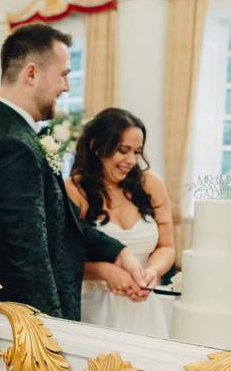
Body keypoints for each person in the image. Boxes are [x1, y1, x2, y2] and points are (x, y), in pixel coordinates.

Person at [0, 23, 146, 321]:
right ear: (31, 73)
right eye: (64, 75)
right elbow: (26, 258)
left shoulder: (13, 132)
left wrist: (118, 251)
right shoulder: (10, 144)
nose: (66, 87)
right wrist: (53, 335)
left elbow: (63, 220)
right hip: (31, 323)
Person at [65, 108, 175, 336]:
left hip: (144, 305)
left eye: (137, 151)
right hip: (94, 307)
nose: (131, 160)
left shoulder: (151, 184)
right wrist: (104, 271)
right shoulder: (74, 190)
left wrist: (152, 272)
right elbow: (63, 258)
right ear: (96, 146)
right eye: (123, 150)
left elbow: (167, 247)